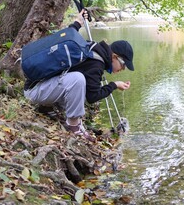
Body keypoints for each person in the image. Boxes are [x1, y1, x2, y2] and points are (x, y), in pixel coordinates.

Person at [24, 10, 134, 141]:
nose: (123, 68)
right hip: (34, 92)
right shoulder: (96, 63)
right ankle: (73, 125)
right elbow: (93, 97)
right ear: (114, 57)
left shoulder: (91, 47)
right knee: (78, 79)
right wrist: (114, 85)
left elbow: (68, 37)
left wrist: (77, 23)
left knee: (77, 81)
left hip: (39, 87)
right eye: (123, 64)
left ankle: (47, 107)